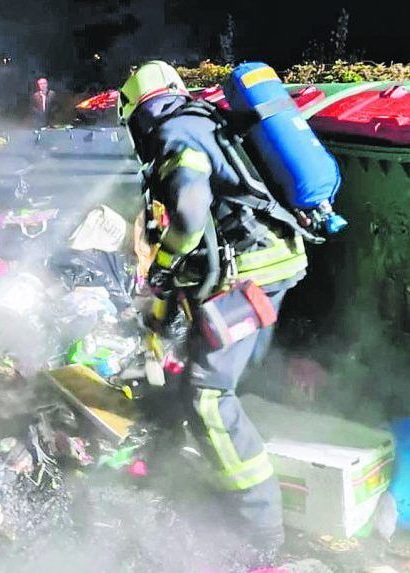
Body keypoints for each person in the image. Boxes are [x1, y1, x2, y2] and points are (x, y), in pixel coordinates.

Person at [117, 61, 310, 564]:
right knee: (202, 373)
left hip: (253, 271)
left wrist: (161, 268)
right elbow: (197, 245)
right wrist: (158, 314)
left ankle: (259, 532)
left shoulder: (174, 134)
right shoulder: (200, 120)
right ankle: (203, 465)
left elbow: (188, 214)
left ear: (136, 114)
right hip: (265, 261)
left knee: (207, 394)